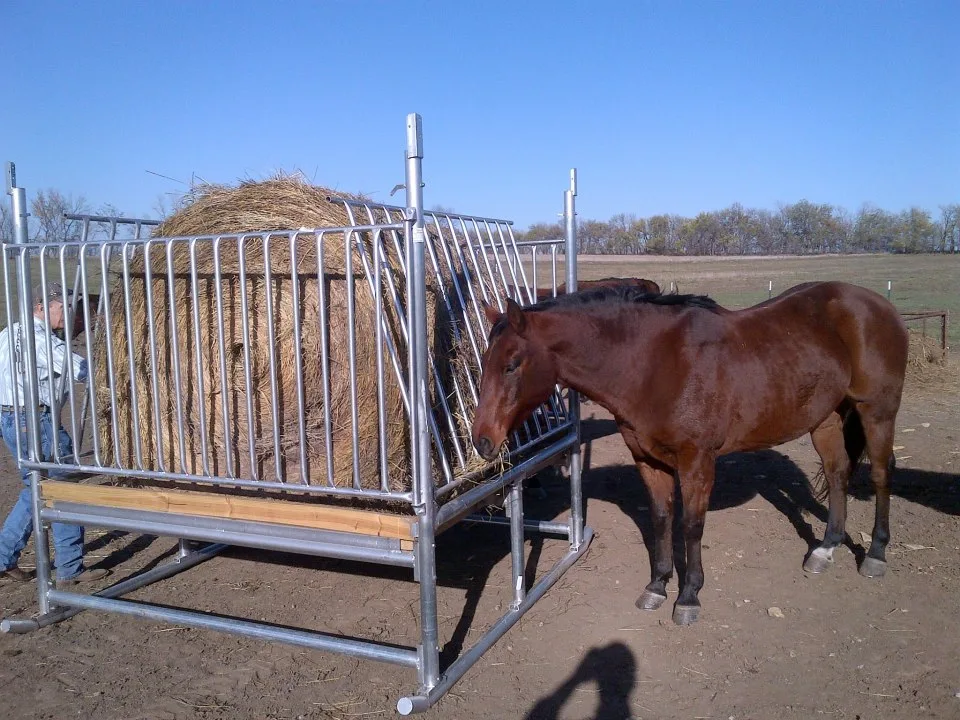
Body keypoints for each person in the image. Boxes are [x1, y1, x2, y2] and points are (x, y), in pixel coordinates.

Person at [0, 281, 109, 587]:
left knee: (35, 488)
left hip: (10, 418)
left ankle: (3, 558)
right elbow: (81, 370)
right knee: (64, 489)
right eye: (63, 307)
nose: (68, 313)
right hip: (37, 419)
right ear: (41, 307)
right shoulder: (41, 340)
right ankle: (69, 569)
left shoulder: (10, 333)